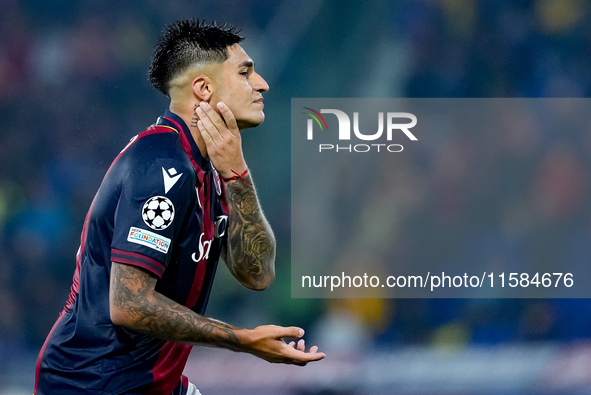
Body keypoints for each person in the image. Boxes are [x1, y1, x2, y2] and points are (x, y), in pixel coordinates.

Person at [34, 18, 325, 395]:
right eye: (245, 72)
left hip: (149, 383)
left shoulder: (212, 169)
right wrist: (242, 339)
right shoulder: (161, 166)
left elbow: (257, 274)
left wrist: (238, 176)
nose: (262, 84)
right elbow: (128, 302)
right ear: (203, 88)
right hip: (92, 383)